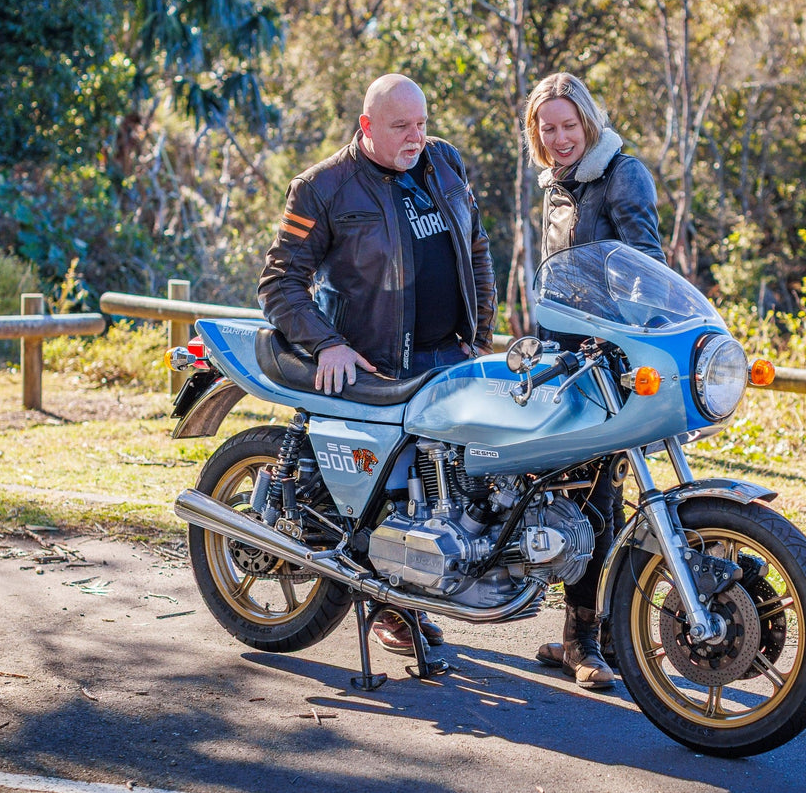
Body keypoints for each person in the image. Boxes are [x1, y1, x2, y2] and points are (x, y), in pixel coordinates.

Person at [258, 73, 496, 654]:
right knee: (388, 495)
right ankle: (389, 610)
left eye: (422, 123)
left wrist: (479, 336)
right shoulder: (323, 187)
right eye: (401, 127)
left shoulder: (443, 163)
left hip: (449, 356)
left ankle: (433, 590)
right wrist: (327, 344)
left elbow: (477, 250)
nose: (416, 137)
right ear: (367, 127)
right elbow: (279, 281)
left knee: (450, 494)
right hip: (379, 365)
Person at [524, 71, 666, 689]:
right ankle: (587, 633)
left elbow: (647, 264)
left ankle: (589, 641)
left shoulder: (621, 174)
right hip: (564, 356)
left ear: (588, 120)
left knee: (598, 497)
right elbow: (559, 273)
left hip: (608, 358)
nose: (559, 137)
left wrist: (623, 330)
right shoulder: (556, 186)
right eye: (547, 128)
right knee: (569, 494)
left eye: (568, 124)